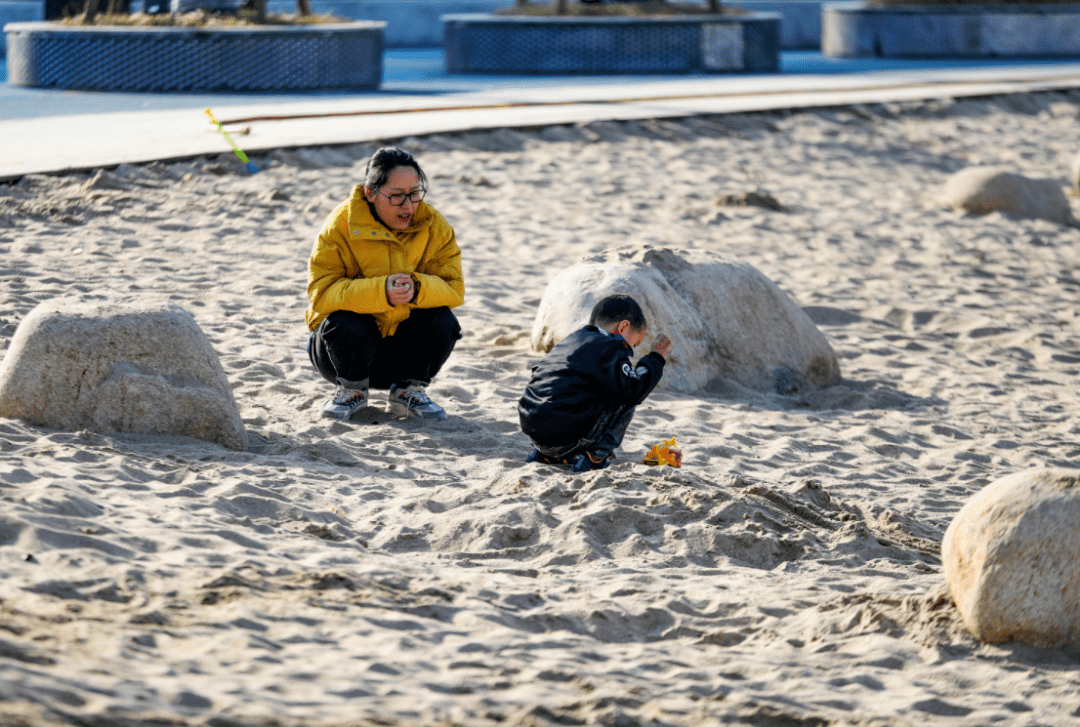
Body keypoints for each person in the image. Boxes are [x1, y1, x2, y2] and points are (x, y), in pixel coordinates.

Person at [305, 147, 464, 421]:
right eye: (397, 196)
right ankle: (351, 391)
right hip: (340, 356)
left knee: (443, 320)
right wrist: (381, 293)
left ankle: (408, 392)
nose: (408, 206)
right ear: (370, 193)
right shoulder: (339, 226)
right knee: (346, 320)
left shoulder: (434, 225)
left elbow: (454, 288)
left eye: (415, 193)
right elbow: (322, 294)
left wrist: (418, 288)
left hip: (401, 357)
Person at [518, 294, 673, 472]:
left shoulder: (572, 340)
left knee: (571, 391)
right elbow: (634, 389)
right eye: (634, 344)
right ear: (623, 327)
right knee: (627, 393)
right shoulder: (610, 346)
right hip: (565, 439)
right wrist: (655, 357)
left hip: (536, 435)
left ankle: (544, 455)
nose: (630, 351)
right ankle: (595, 458)